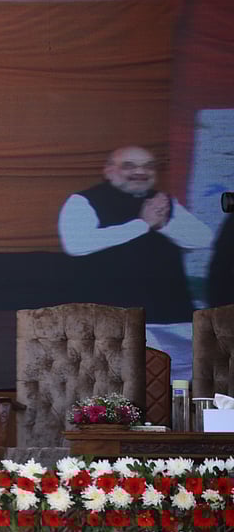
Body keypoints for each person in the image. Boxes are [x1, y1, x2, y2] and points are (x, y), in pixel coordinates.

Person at [58, 145, 213, 379]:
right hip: (113, 317)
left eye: (148, 166)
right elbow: (77, 245)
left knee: (179, 384)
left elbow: (202, 238)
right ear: (109, 170)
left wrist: (162, 224)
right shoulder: (82, 200)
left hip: (171, 314)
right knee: (123, 385)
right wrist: (142, 224)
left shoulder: (163, 202)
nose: (140, 172)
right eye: (129, 166)